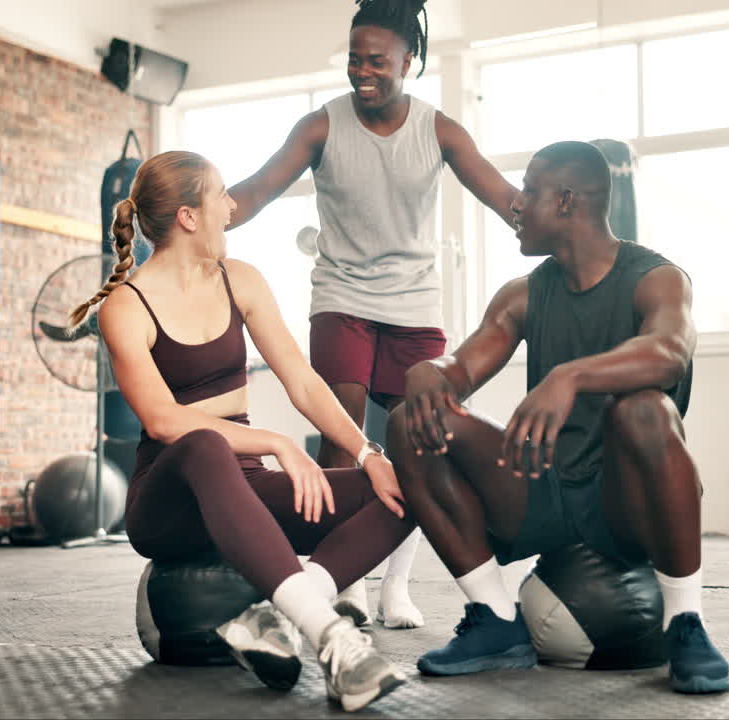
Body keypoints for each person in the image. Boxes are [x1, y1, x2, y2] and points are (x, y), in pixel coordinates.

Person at [69, 150, 415, 712]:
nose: (231, 208)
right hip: (169, 503)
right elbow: (164, 421)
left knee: (406, 487)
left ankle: (278, 617)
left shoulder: (241, 280)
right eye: (221, 196)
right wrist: (279, 443)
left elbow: (303, 382)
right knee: (201, 441)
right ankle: (331, 639)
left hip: (246, 491)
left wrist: (367, 451)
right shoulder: (124, 307)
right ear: (188, 217)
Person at [386, 141, 729, 694]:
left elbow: (669, 351)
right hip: (542, 490)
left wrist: (569, 376)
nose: (515, 205)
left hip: (623, 505)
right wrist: (432, 370)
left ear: (566, 201)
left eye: (529, 191)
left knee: (646, 410)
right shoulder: (523, 294)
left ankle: (685, 624)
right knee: (410, 420)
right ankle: (496, 619)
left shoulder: (658, 278)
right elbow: (464, 367)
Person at [222, 0, 518, 629]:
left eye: (377, 61)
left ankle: (396, 587)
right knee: (343, 432)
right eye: (355, 59)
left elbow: (502, 195)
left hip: (413, 303)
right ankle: (341, 579)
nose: (363, 72)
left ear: (409, 62)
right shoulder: (321, 127)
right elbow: (256, 189)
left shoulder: (438, 130)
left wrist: (555, 219)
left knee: (415, 436)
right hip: (342, 297)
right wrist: (197, 214)